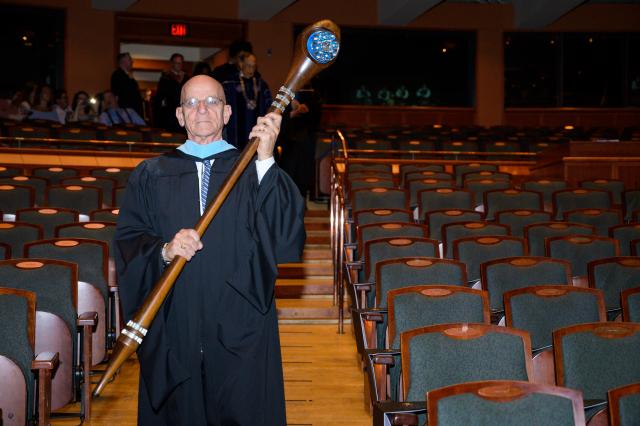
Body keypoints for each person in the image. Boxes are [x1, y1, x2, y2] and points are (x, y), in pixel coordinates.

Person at [114, 74, 305, 425]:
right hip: (175, 322)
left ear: (228, 112)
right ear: (179, 115)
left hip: (240, 321)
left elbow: (285, 233)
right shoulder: (150, 173)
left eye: (212, 101)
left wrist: (265, 161)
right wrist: (165, 249)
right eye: (192, 103)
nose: (202, 109)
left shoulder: (251, 168)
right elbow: (129, 240)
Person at [223, 52, 272, 149]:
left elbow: (269, 105)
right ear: (241, 64)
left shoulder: (261, 84)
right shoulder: (229, 83)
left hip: (257, 129)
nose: (252, 69)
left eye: (254, 66)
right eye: (249, 65)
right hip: (236, 132)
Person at [153, 53, 188, 132]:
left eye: (180, 63)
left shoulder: (186, 78)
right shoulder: (166, 78)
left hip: (184, 113)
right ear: (172, 64)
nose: (179, 65)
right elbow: (159, 98)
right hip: (170, 114)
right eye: (176, 63)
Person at [111, 52, 145, 116]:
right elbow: (118, 94)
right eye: (130, 59)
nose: (132, 61)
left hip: (132, 111)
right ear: (123, 62)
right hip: (126, 112)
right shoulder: (117, 75)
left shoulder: (127, 75)